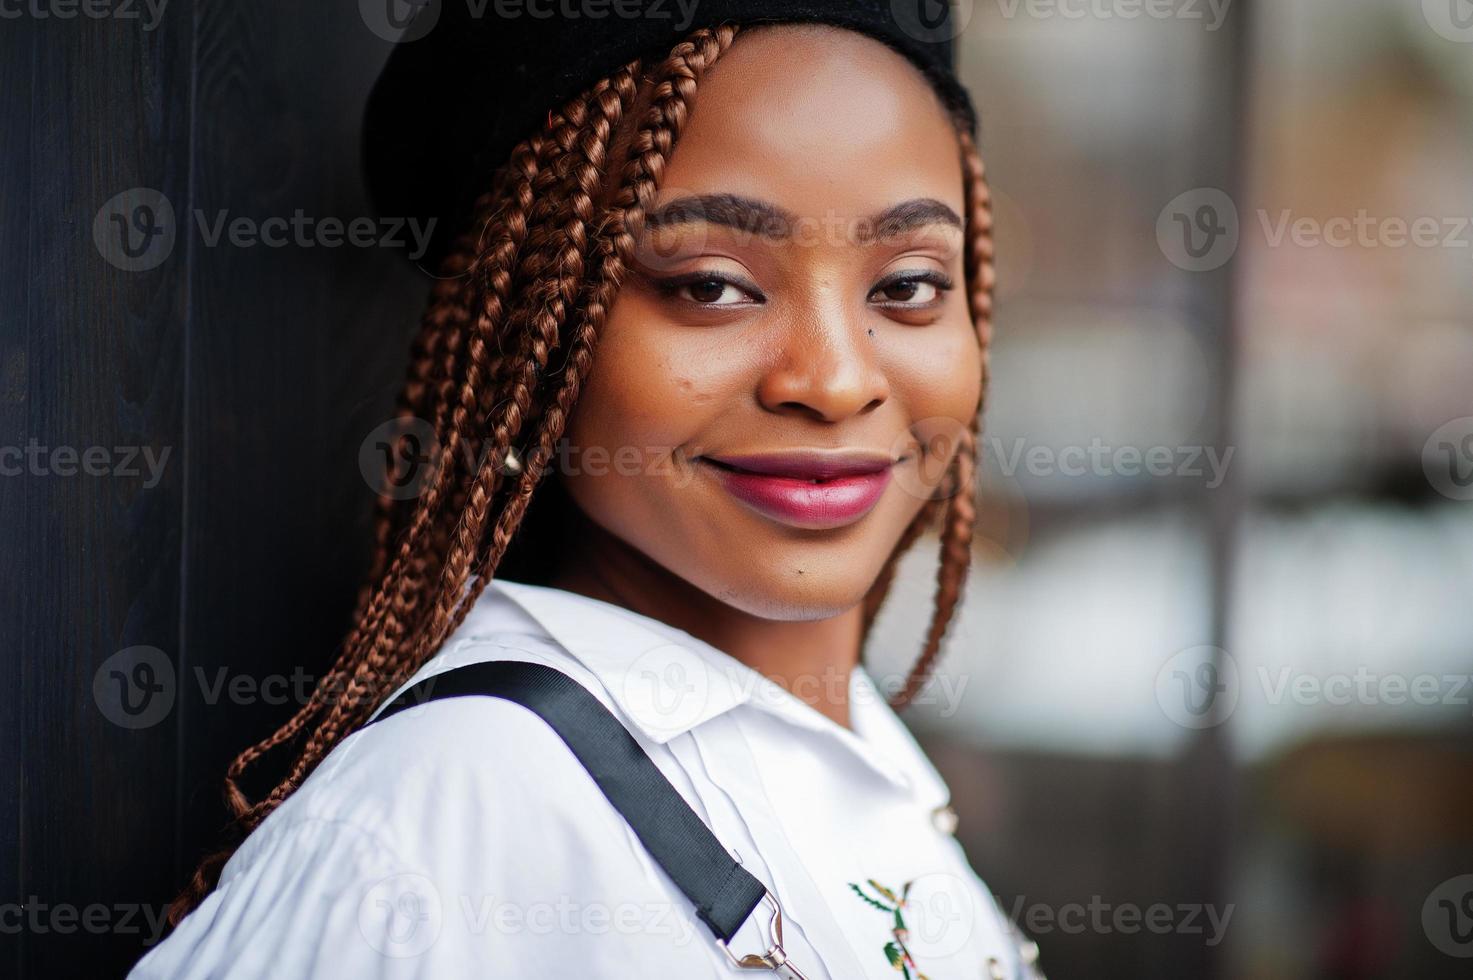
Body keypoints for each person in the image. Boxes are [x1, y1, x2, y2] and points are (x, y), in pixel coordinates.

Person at [132, 4, 1043, 977]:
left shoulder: (859, 753)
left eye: (906, 285)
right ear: (540, 331)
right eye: (710, 284)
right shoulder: (438, 822)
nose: (833, 380)